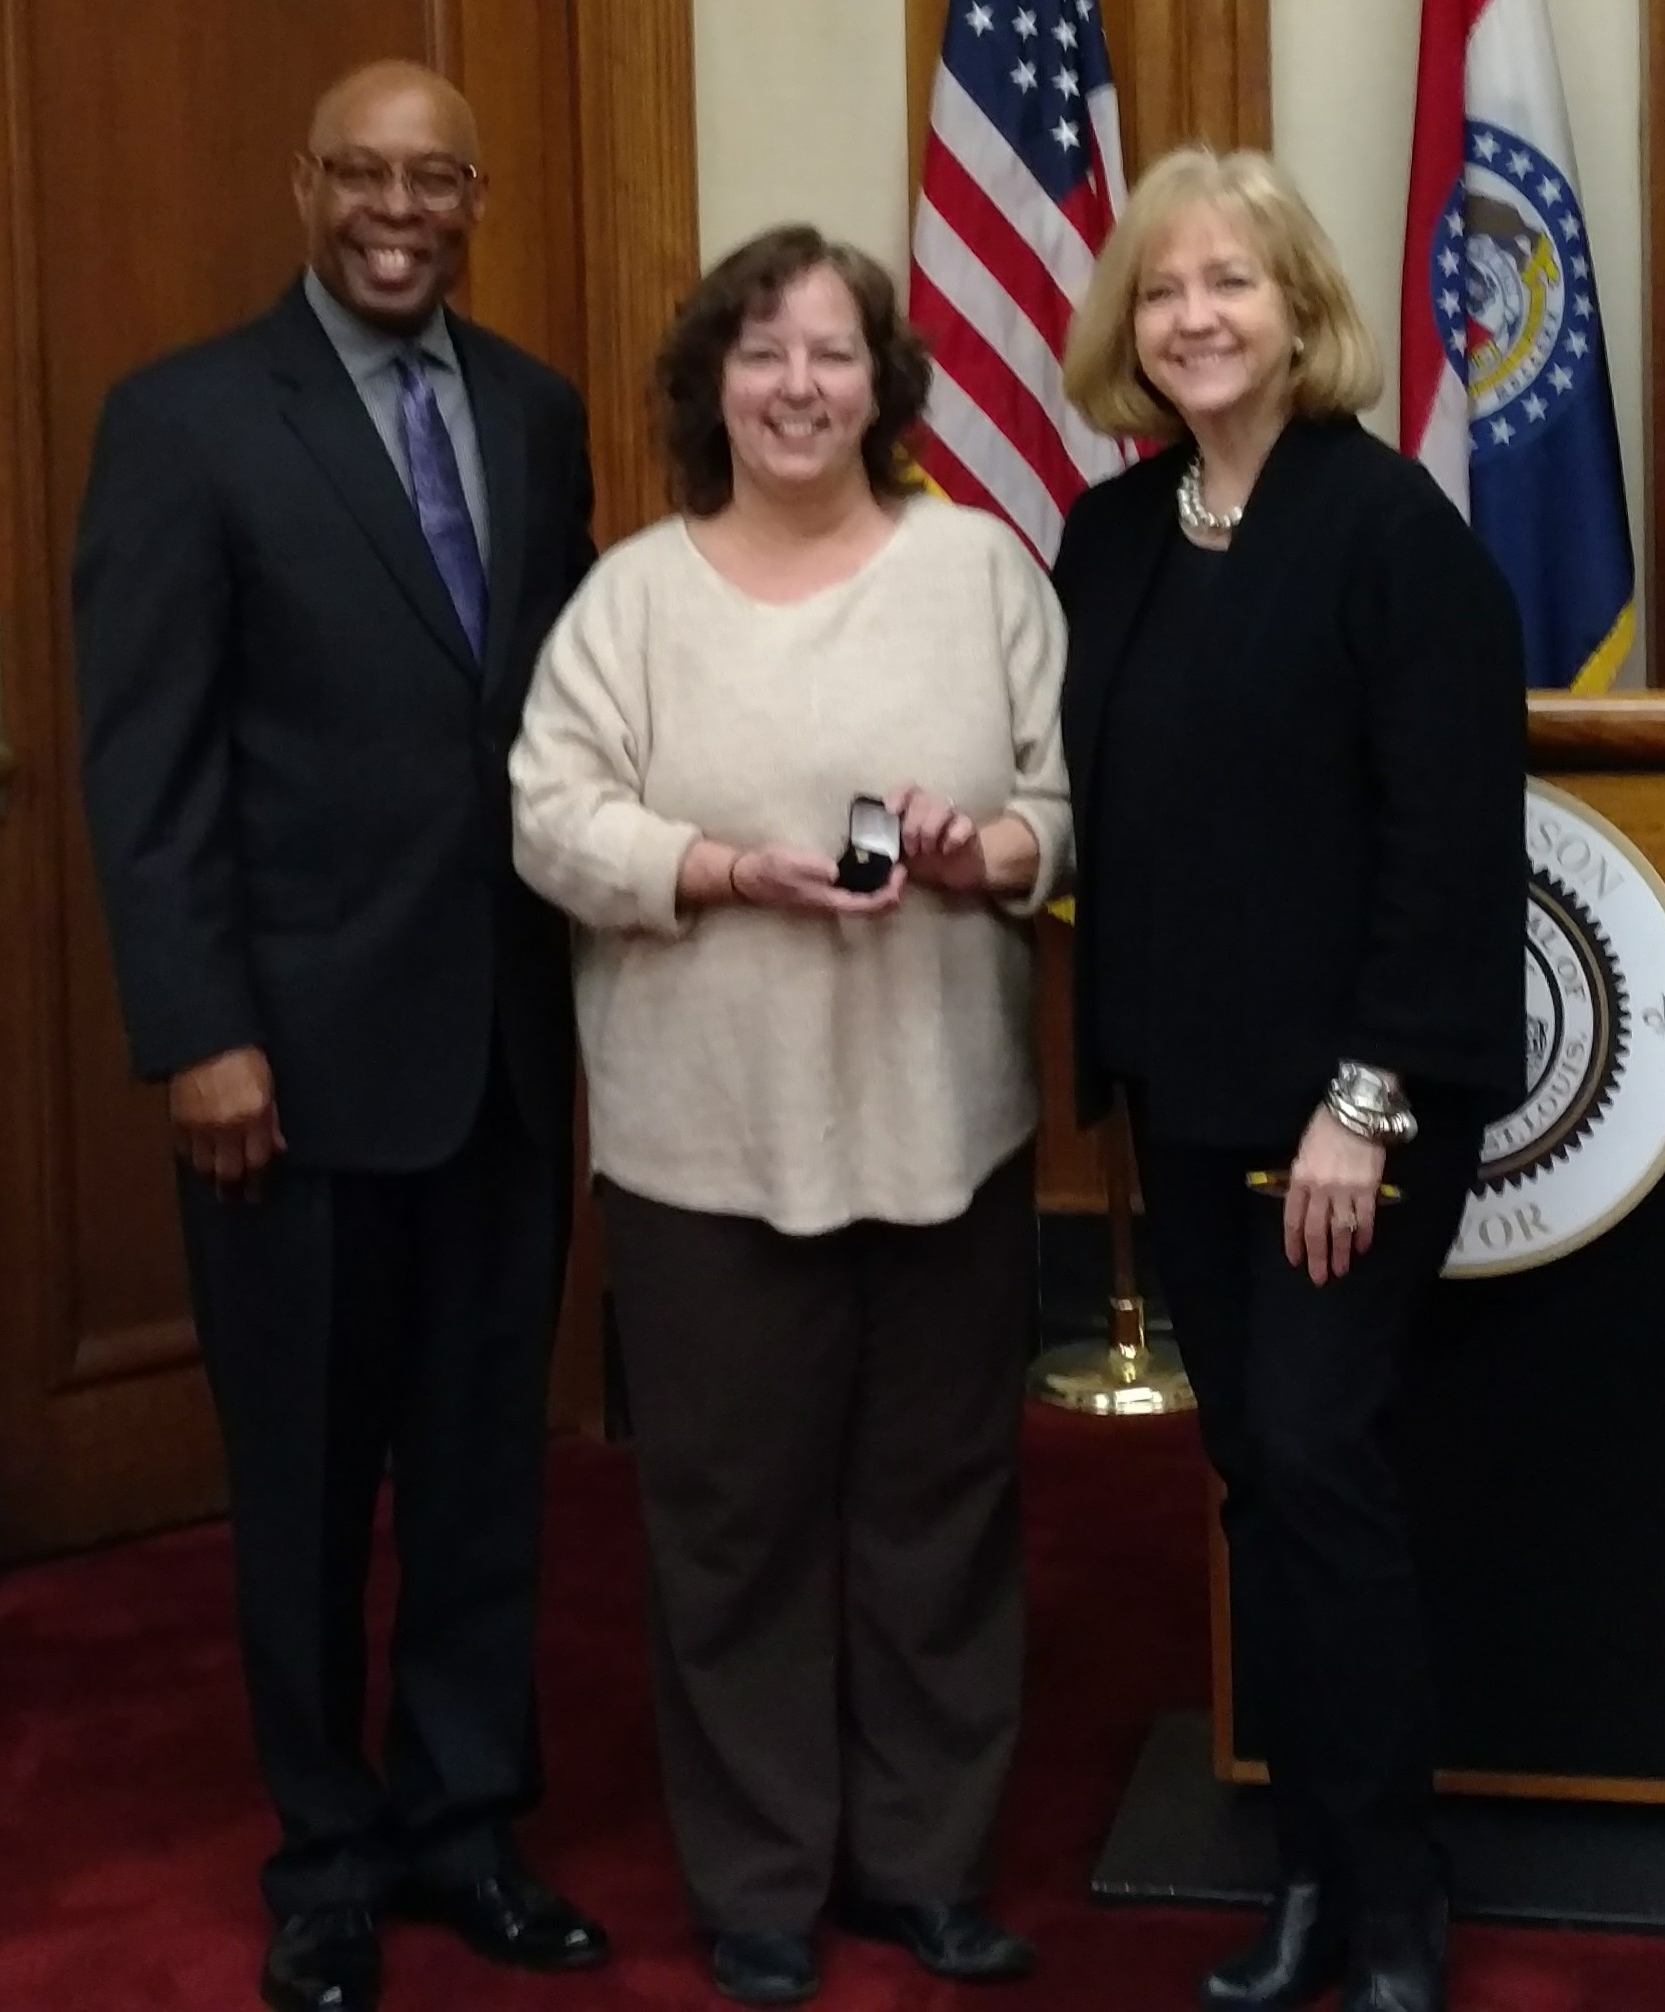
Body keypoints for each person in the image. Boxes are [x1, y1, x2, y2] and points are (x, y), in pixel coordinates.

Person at [74, 61, 607, 2012]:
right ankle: (323, 1853)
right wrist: (197, 1033)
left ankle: (463, 1820)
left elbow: (561, 725)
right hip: (282, 1072)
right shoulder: (187, 421)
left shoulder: (539, 415)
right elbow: (145, 768)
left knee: (482, 1467)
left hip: (503, 1054)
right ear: (306, 186)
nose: (403, 208)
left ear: (474, 195)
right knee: (301, 1483)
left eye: (437, 177)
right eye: (366, 174)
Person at [509, 225, 1070, 2009]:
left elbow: (1069, 799)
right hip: (703, 1146)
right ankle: (758, 1880)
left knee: (938, 1509)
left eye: (831, 354)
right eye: (760, 356)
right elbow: (547, 818)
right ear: (710, 387)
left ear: (882, 385)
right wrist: (715, 869)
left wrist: (990, 851)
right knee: (732, 1523)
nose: (798, 388)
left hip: (944, 1124)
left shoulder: (981, 572)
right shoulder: (632, 598)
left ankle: (922, 1865)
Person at [1054, 148, 1529, 2012]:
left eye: (1230, 284)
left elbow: (1445, 850)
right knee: (1257, 1472)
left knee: (1321, 1464)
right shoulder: (1110, 538)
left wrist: (1370, 1101)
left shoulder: (1392, 529)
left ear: (1299, 309)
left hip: (1361, 1106)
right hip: (1188, 1092)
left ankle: (1395, 1907)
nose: (1194, 319)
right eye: (1164, 291)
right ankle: (1314, 1883)